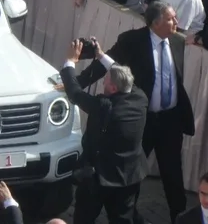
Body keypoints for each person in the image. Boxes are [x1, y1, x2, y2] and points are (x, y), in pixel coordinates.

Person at [76, 1, 195, 224]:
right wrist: (77, 82)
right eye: (171, 19)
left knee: (173, 174)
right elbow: (108, 63)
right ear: (155, 23)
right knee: (133, 174)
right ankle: (129, 215)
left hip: (170, 121)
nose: (176, 22)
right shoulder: (132, 40)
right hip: (142, 120)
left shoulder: (177, 41)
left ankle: (178, 218)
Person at [61, 38, 148, 224]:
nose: (102, 83)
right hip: (128, 177)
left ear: (114, 88)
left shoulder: (104, 106)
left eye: (105, 81)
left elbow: (75, 93)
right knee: (123, 219)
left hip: (99, 178)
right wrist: (100, 55)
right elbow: (121, 73)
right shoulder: (140, 98)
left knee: (84, 219)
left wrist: (70, 61)